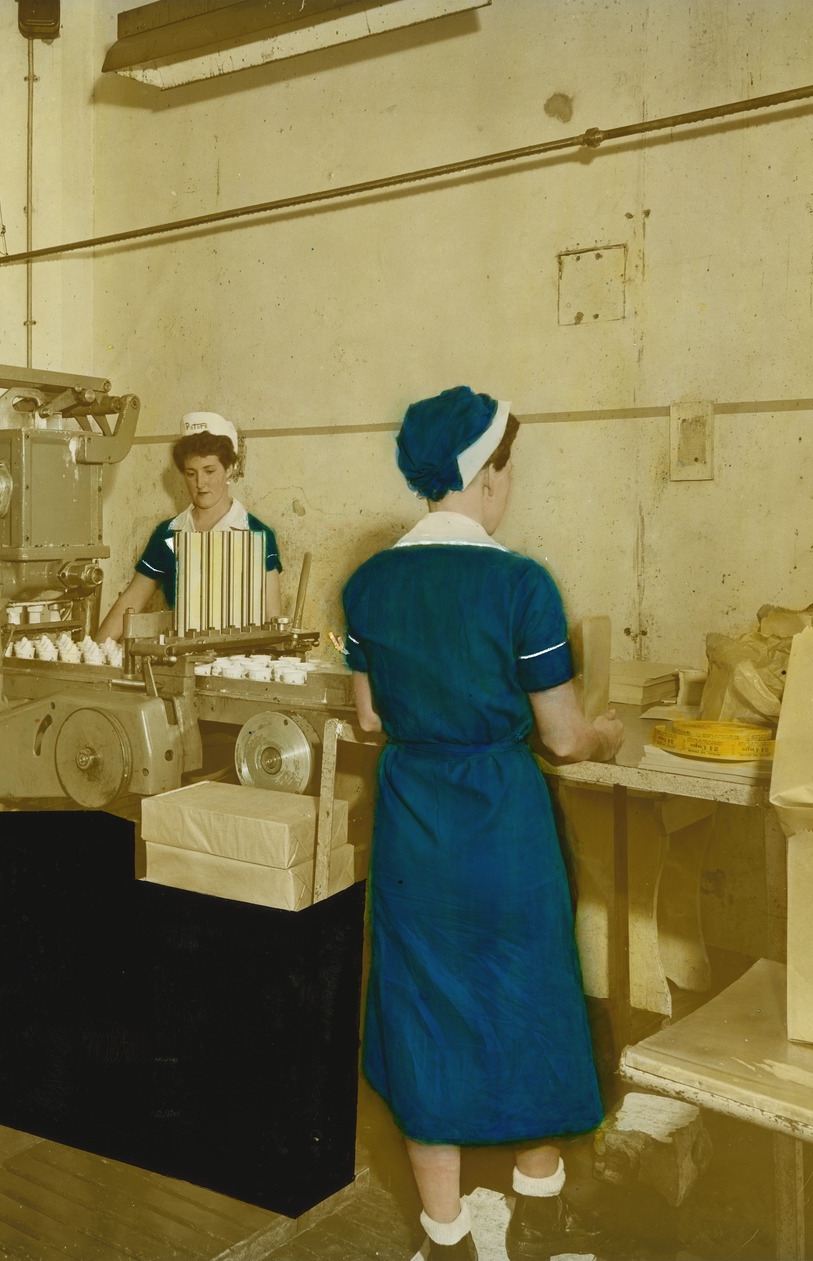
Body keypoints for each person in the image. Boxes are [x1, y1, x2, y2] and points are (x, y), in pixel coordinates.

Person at [340, 386, 624, 1261]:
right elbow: (565, 738)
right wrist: (616, 730)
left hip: (415, 824)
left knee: (422, 1012)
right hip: (503, 823)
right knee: (530, 996)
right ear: (488, 475)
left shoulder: (370, 585)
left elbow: (370, 720)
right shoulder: (520, 583)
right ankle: (539, 1212)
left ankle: (448, 1232)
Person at [96, 412, 282, 642]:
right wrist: (94, 653)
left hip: (239, 659)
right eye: (191, 473)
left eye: (209, 471)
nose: (200, 483)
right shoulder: (168, 534)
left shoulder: (257, 533)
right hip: (181, 656)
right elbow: (130, 601)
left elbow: (273, 618)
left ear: (230, 468)